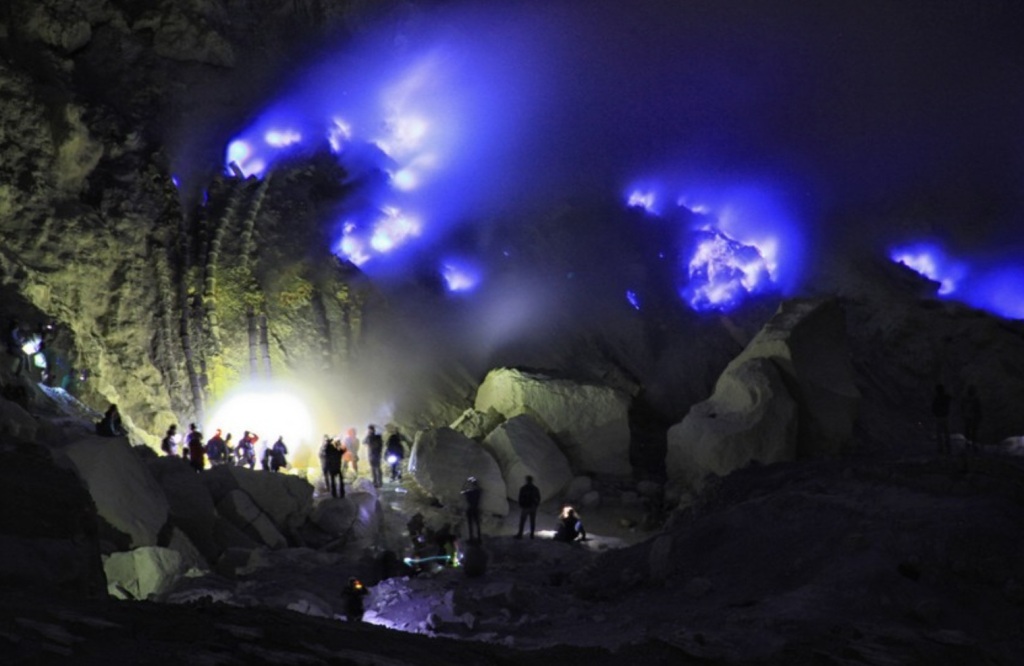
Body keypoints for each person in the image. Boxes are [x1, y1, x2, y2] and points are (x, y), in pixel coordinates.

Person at [932, 383, 952, 454]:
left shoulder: (937, 398)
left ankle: (941, 448)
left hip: (940, 417)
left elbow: (933, 408)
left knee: (940, 434)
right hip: (945, 416)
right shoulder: (945, 397)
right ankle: (947, 447)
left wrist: (935, 414)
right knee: (946, 433)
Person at [461, 476, 482, 543]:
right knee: (477, 524)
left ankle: (471, 538)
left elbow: (462, 491)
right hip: (476, 508)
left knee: (470, 524)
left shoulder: (469, 492)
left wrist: (465, 482)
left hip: (470, 509)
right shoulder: (478, 491)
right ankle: (478, 538)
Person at [961, 385, 982, 451]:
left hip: (967, 417)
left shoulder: (965, 399)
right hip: (974, 417)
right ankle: (973, 444)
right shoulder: (976, 399)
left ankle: (968, 444)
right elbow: (978, 409)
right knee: (974, 432)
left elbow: (962, 408)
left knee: (968, 431)